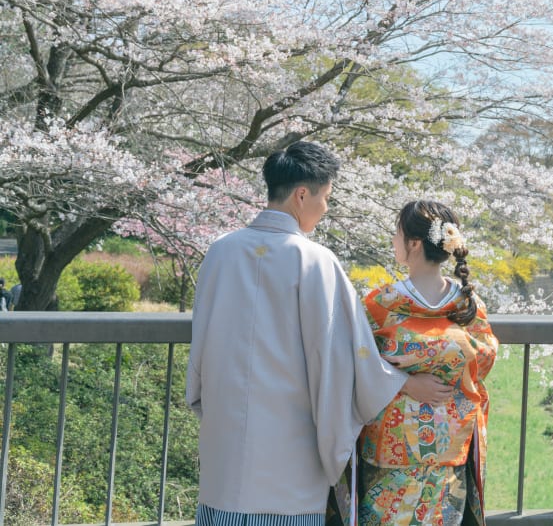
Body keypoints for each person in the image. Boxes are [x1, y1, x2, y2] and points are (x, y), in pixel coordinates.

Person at [186, 142, 452, 526]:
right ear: (301, 195)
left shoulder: (220, 251)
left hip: (225, 434)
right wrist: (404, 383)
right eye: (325, 197)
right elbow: (348, 353)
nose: (325, 208)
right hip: (289, 444)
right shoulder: (315, 260)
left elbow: (201, 341)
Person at [355, 200, 499, 526]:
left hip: (411, 447)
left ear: (414, 244)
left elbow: (361, 364)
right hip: (427, 447)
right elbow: (483, 358)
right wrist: (427, 372)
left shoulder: (380, 305)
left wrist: (403, 375)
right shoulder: (467, 305)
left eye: (398, 233)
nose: (394, 240)